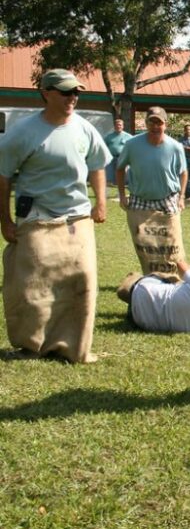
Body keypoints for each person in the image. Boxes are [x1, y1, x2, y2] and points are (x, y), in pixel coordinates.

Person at [0, 68, 111, 363]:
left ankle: (74, 347)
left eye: (76, 92)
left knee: (84, 280)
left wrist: (101, 202)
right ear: (46, 94)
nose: (72, 97)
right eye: (65, 92)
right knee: (32, 283)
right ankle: (31, 345)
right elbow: (3, 176)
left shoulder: (85, 128)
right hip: (37, 214)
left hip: (76, 216)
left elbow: (98, 165)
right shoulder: (22, 132)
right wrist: (5, 220)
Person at [115, 106, 188, 275]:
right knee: (145, 243)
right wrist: (121, 195)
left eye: (159, 123)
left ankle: (173, 276)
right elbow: (120, 169)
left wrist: (182, 196)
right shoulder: (132, 144)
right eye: (151, 122)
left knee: (172, 243)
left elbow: (183, 172)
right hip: (140, 199)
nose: (155, 127)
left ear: (165, 124)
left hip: (167, 199)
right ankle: (150, 275)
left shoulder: (175, 146)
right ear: (146, 123)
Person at [117, 260, 190, 332]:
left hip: (141, 290)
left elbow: (181, 264)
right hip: (137, 320)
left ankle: (131, 283)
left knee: (173, 279)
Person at [104, 117, 133, 186]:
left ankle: (125, 184)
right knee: (111, 173)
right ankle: (113, 184)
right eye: (117, 125)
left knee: (124, 173)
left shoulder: (128, 136)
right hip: (111, 158)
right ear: (114, 126)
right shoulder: (109, 136)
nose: (118, 126)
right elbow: (104, 146)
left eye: (120, 125)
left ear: (123, 126)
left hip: (123, 157)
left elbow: (133, 146)